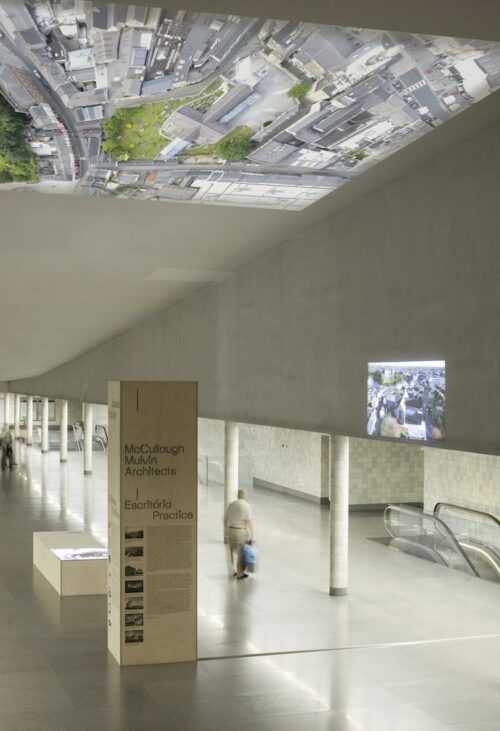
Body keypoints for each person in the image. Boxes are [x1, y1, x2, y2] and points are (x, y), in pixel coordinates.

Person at [224, 488, 253, 579]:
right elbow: (248, 522)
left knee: (232, 552)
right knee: (241, 553)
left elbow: (225, 520)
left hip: (231, 530)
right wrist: (250, 534)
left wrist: (226, 531)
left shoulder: (231, 505)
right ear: (244, 496)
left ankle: (232, 571)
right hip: (241, 531)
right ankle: (240, 573)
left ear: (237, 495)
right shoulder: (246, 506)